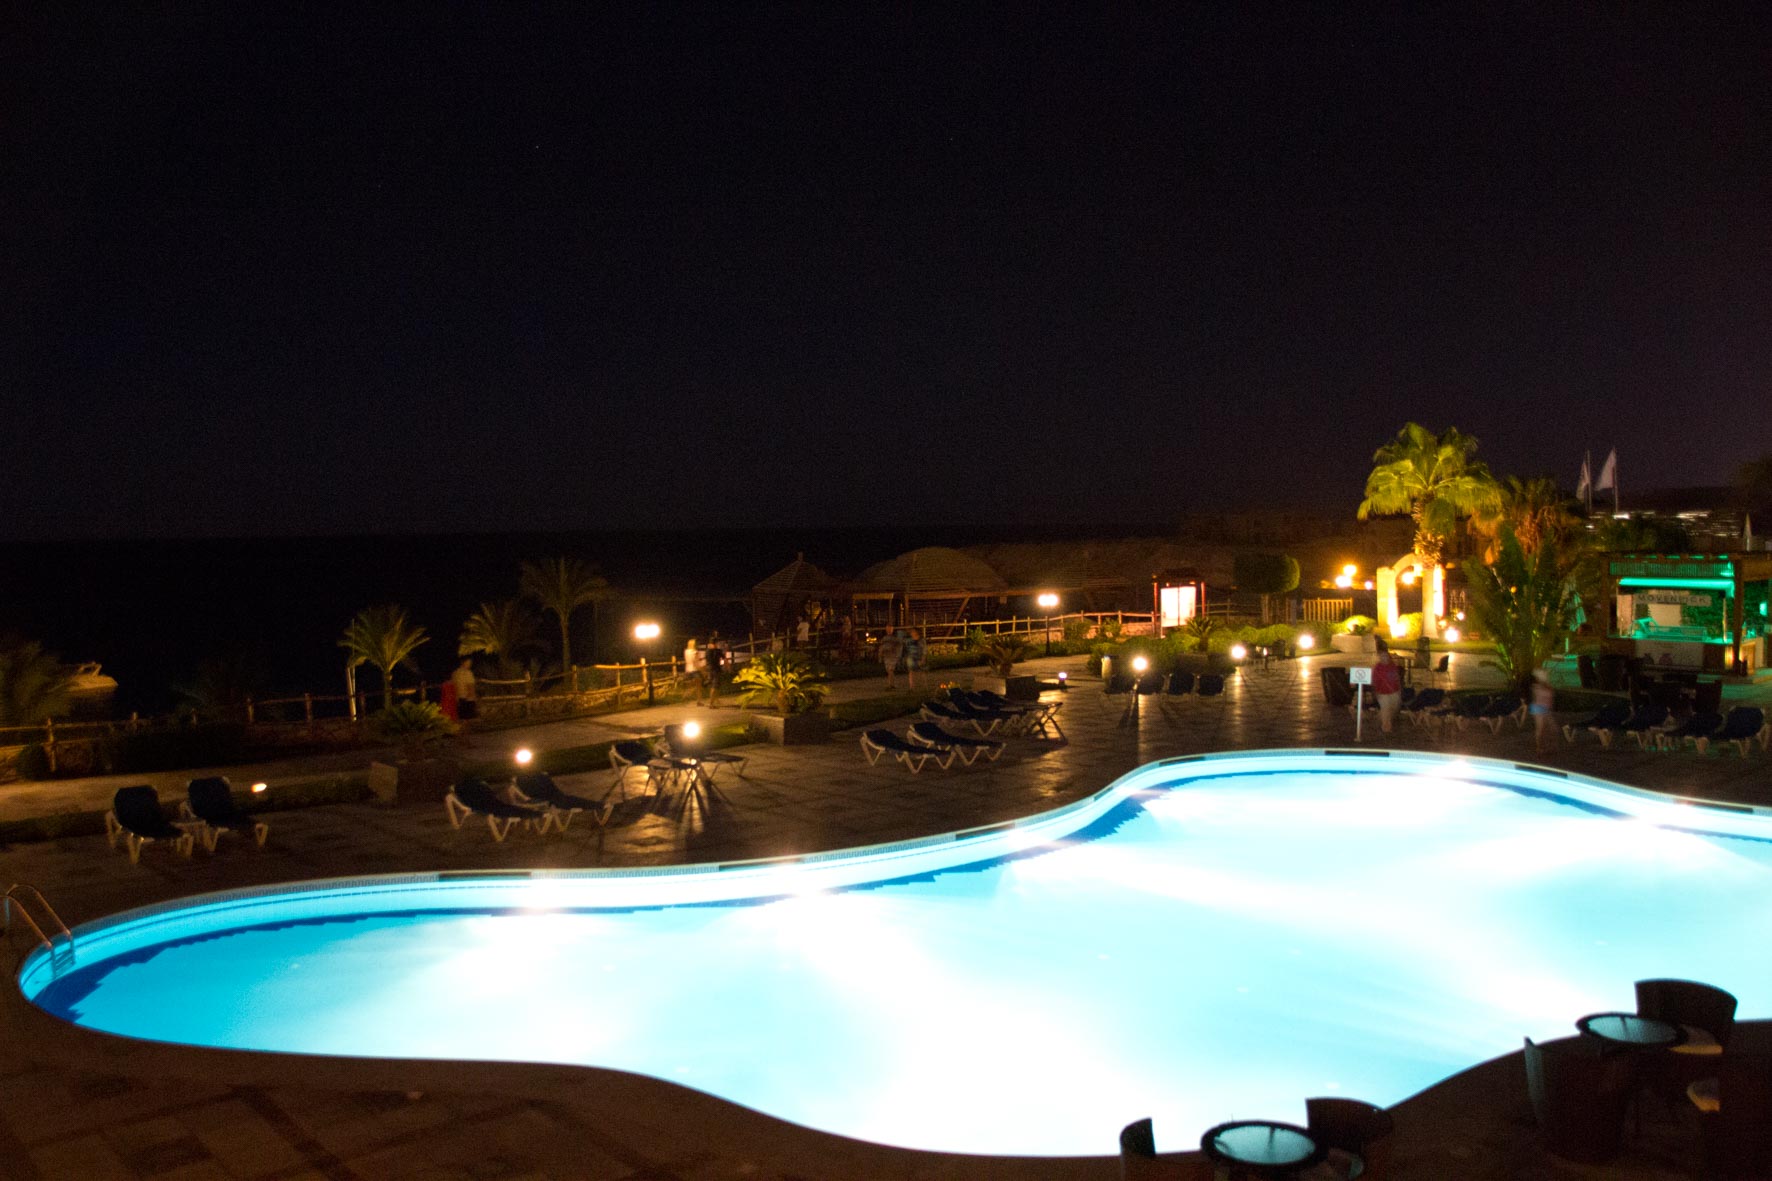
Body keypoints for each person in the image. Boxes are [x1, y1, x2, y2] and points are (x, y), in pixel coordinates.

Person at [1371, 638, 1402, 734]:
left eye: (1386, 656)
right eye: (1382, 656)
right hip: (1383, 693)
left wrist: (1399, 690)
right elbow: (1374, 681)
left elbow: (1397, 678)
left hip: (1394, 691)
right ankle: (1386, 727)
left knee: (1393, 708)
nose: (1384, 658)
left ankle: (1382, 720)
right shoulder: (1377, 668)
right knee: (1385, 709)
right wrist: (1376, 692)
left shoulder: (1392, 666)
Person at [1531, 667, 1556, 752]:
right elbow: (1538, 698)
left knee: (1551, 728)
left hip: (1545, 708)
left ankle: (1546, 746)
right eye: (1545, 674)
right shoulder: (1537, 686)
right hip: (1539, 708)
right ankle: (1539, 748)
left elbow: (1550, 698)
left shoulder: (1546, 685)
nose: (1547, 675)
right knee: (1540, 729)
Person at [452, 657, 479, 722]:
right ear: (463, 662)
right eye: (468, 662)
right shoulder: (468, 673)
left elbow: (454, 685)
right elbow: (470, 686)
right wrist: (473, 696)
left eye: (470, 663)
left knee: (462, 718)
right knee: (470, 718)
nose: (469, 664)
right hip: (468, 698)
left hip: (459, 697)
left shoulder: (455, 673)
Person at [702, 631, 725, 707]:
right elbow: (724, 658)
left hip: (709, 669)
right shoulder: (717, 651)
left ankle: (716, 700)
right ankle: (711, 703)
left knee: (715, 685)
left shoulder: (707, 651)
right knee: (715, 686)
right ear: (716, 643)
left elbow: (706, 660)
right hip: (716, 670)